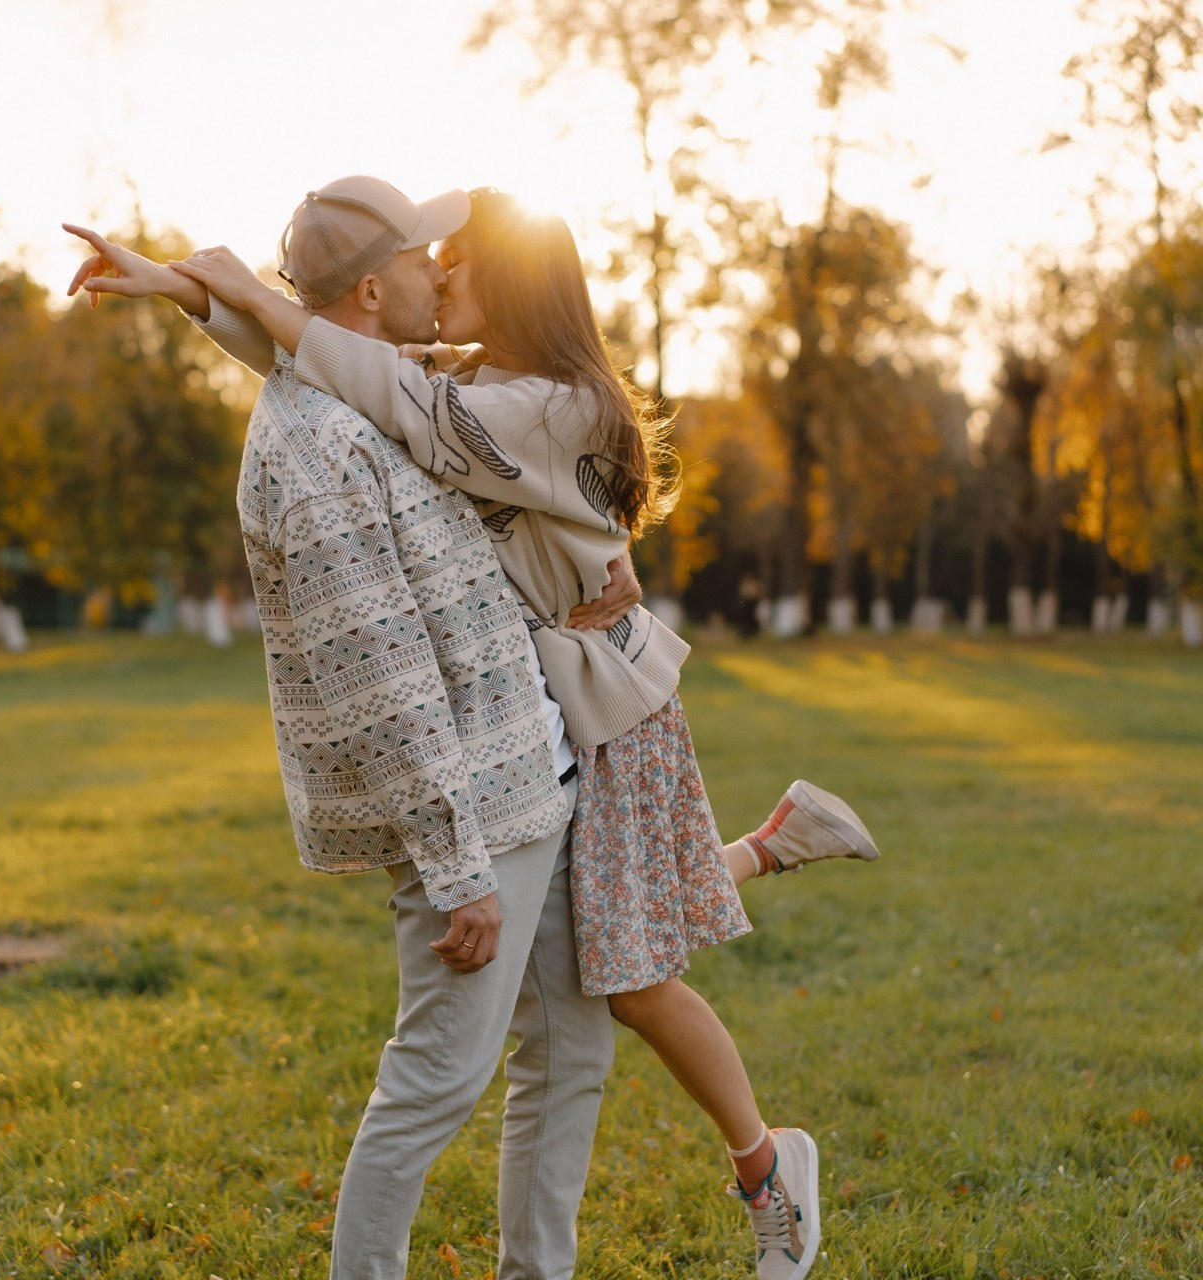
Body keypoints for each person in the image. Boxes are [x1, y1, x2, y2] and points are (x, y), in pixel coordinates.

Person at [156, 184, 882, 1280]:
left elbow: (360, 376)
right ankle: (767, 855)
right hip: (530, 724)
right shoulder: (469, 382)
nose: (439, 271)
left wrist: (249, 290)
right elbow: (339, 379)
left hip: (603, 709)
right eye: (426, 255)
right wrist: (196, 295)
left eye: (453, 255)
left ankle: (764, 1164)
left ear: (510, 279)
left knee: (625, 972)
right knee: (607, 971)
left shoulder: (544, 408)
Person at [66, 180, 645, 1280]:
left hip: (537, 773)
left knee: (569, 1050)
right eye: (427, 257)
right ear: (376, 286)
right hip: (476, 811)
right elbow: (382, 682)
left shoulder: (369, 393)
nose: (442, 271)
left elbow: (319, 347)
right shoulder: (314, 452)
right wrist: (455, 863)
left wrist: (181, 286)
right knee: (434, 1080)